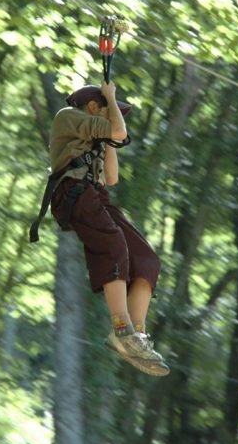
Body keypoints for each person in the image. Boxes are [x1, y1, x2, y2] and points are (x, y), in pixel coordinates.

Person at [47, 81, 169, 377]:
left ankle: (136, 335)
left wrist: (108, 142)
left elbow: (111, 177)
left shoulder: (97, 136)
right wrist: (111, 98)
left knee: (146, 261)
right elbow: (118, 130)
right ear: (92, 107)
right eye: (109, 109)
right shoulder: (68, 116)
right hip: (72, 191)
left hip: (95, 195)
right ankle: (121, 328)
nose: (115, 115)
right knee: (113, 244)